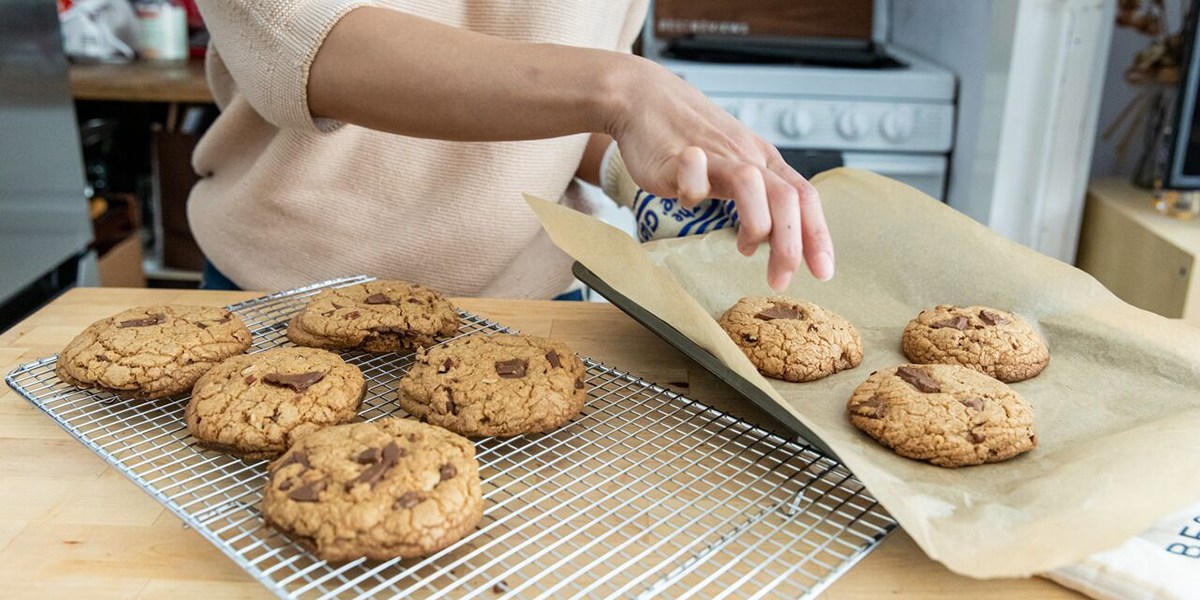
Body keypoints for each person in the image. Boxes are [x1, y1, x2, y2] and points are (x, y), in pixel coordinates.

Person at [189, 0, 834, 297]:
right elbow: (297, 42)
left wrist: (636, 171)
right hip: (285, 304)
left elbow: (565, 94)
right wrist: (625, 89)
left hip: (540, 309)